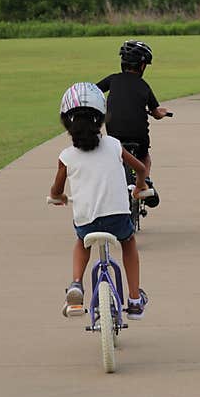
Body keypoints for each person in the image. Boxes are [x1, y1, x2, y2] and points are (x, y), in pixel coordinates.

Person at [48, 82, 149, 320]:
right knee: (129, 242)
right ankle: (134, 299)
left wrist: (58, 197)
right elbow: (141, 168)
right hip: (118, 219)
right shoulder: (114, 145)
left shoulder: (66, 157)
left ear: (66, 122)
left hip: (87, 222)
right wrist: (140, 187)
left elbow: (56, 189)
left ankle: (75, 285)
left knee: (81, 242)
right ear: (101, 118)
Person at [96, 40, 171, 207]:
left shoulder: (113, 80)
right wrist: (163, 113)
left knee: (116, 154)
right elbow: (157, 113)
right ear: (142, 66)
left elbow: (94, 90)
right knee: (144, 156)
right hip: (139, 134)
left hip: (114, 132)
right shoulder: (144, 86)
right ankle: (144, 183)